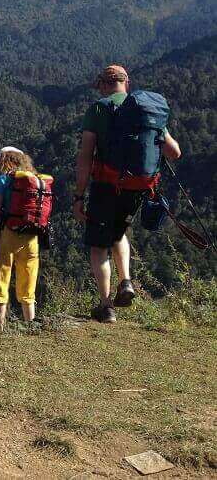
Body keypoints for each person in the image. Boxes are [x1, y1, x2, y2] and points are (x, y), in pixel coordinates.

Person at [74, 65, 181, 324]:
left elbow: (86, 156)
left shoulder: (99, 109)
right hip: (137, 188)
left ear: (103, 84)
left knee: (99, 246)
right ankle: (126, 281)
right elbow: (174, 152)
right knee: (119, 233)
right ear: (126, 83)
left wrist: (78, 196)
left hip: (105, 185)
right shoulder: (146, 110)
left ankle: (106, 305)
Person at [0, 147, 40, 331]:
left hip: (9, 234)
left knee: (1, 279)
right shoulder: (35, 179)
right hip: (32, 237)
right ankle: (31, 325)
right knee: (28, 281)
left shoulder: (4, 179)